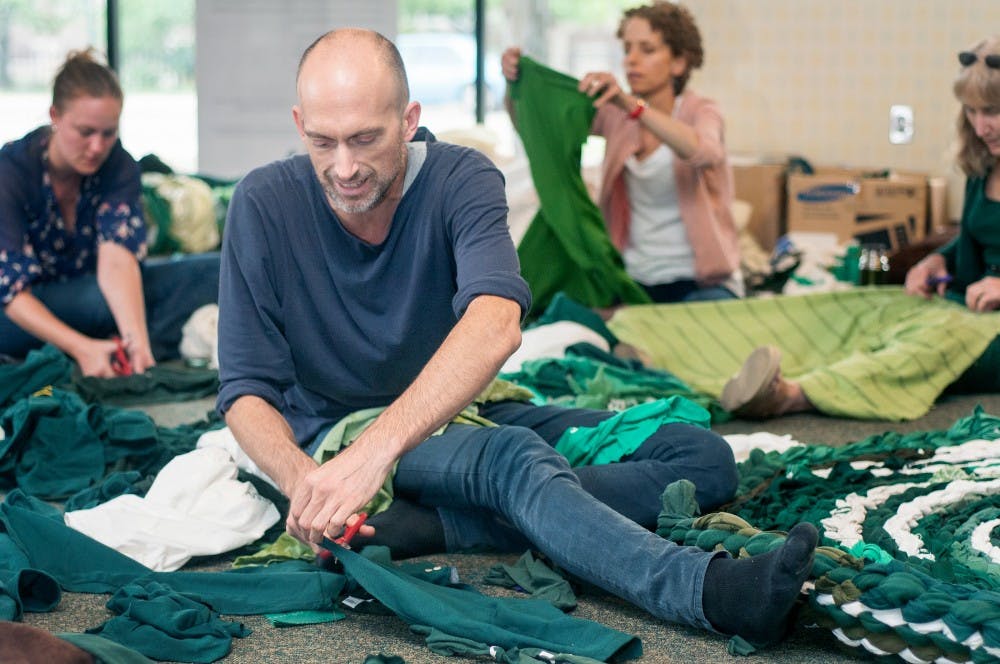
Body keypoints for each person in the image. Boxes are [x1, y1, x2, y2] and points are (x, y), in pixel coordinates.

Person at [217, 27, 818, 648]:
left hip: (451, 412)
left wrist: (377, 455)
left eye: (365, 139)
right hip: (340, 438)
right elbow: (243, 390)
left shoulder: (462, 178)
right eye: (322, 142)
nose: (343, 167)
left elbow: (496, 321)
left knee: (702, 457)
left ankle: (461, 521)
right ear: (299, 124)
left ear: (408, 120)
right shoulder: (262, 202)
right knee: (511, 459)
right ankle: (710, 593)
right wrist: (309, 486)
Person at [720, 36, 1000, 419]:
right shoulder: (982, 165)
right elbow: (978, 237)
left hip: (988, 330)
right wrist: (935, 262)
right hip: (967, 307)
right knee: (870, 309)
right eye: (971, 111)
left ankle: (793, 393)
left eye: (993, 111)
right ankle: (725, 363)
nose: (981, 126)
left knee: (927, 344)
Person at [501, 2, 743, 303]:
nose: (631, 60)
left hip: (701, 283)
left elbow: (703, 151)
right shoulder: (615, 116)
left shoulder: (700, 111)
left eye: (647, 49)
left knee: (694, 328)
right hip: (634, 281)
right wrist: (516, 86)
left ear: (679, 63)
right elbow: (542, 128)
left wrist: (632, 106)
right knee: (570, 318)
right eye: (627, 49)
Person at [0, 48, 219, 377]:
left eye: (108, 133)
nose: (98, 147)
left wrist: (137, 344)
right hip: (21, 310)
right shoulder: (11, 171)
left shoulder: (118, 164)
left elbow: (117, 260)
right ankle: (94, 347)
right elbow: (12, 292)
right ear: (55, 115)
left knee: (216, 271)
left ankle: (121, 343)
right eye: (85, 132)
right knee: (105, 302)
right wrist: (80, 347)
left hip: (95, 293)